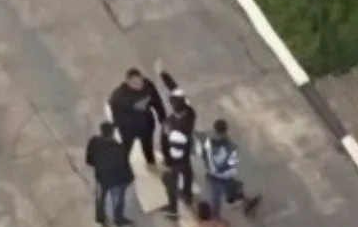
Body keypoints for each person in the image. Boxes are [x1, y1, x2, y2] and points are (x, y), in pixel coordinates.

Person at [200, 119, 262, 217]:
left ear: (214, 130)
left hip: (213, 175)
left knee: (217, 198)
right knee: (231, 190)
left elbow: (204, 157)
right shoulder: (230, 145)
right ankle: (245, 203)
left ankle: (216, 219)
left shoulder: (209, 143)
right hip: (224, 175)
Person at [108, 68, 166, 168]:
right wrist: (117, 124)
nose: (138, 85)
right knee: (126, 148)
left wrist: (162, 117)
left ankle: (151, 162)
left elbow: (157, 102)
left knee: (147, 146)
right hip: (128, 127)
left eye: (139, 81)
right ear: (128, 82)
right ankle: (123, 166)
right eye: (134, 83)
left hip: (146, 124)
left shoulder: (149, 87)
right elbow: (113, 107)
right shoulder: (120, 95)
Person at [84, 121, 134, 227]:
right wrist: (130, 178)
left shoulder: (93, 142)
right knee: (118, 200)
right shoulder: (119, 148)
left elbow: (89, 160)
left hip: (101, 176)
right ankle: (118, 221)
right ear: (112, 133)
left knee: (99, 198)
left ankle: (99, 220)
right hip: (116, 179)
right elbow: (124, 165)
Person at [160, 88, 198, 218]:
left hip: (175, 155)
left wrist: (166, 160)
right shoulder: (190, 114)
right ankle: (187, 195)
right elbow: (177, 90)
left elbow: (165, 142)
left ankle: (173, 208)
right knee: (187, 171)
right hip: (186, 149)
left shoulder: (170, 124)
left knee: (170, 179)